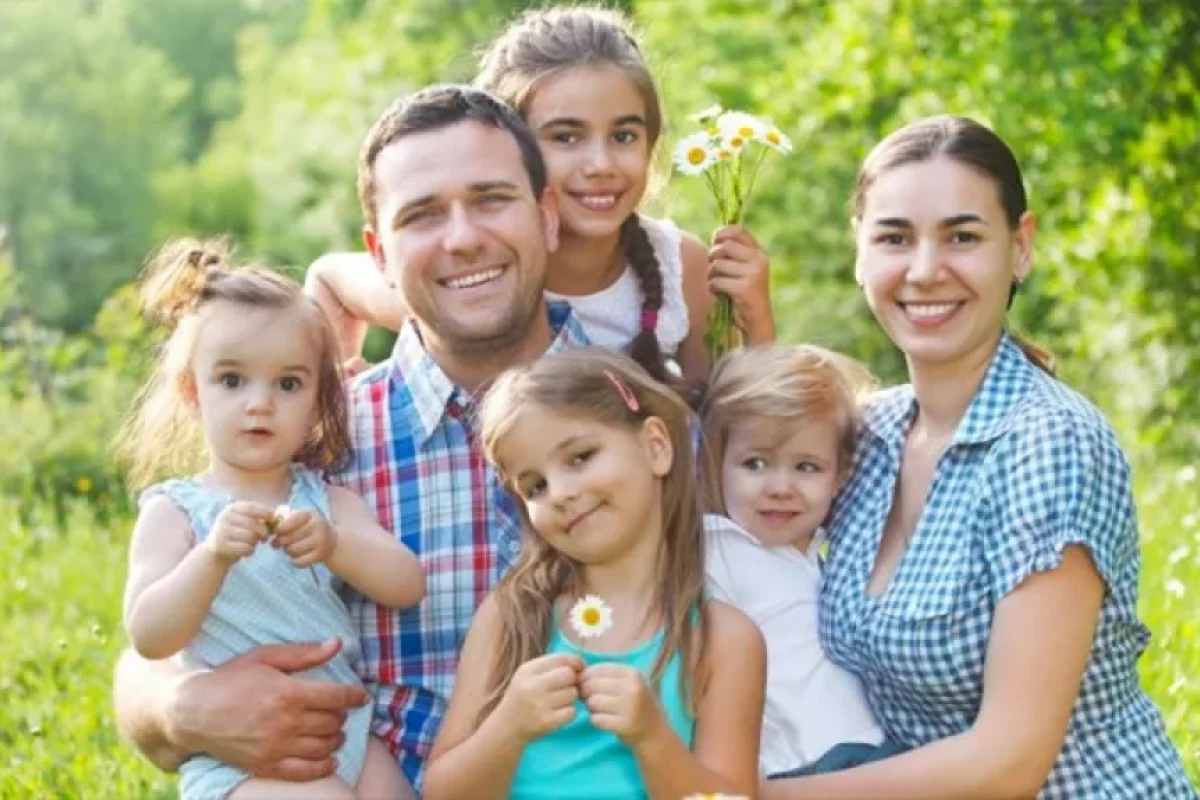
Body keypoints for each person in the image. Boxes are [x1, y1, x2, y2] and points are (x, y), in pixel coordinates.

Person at [113, 85, 591, 794]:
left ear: (547, 217)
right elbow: (152, 648)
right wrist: (178, 708)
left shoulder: (654, 422)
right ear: (380, 254)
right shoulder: (314, 438)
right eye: (422, 214)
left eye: (491, 199)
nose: (463, 238)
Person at [763, 115, 1196, 799]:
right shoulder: (867, 436)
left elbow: (1010, 762)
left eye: (962, 237)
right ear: (859, 252)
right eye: (894, 238)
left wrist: (743, 795)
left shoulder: (1049, 443)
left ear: (1020, 248)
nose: (925, 270)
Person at [305, 5, 776, 385]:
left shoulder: (681, 268)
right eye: (565, 137)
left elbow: (720, 426)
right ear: (510, 151)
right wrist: (333, 390)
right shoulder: (476, 274)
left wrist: (756, 321)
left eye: (624, 136)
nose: (601, 164)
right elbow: (328, 280)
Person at [115, 240, 424, 799]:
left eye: (288, 384)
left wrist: (335, 545)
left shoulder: (327, 501)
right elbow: (149, 634)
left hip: (345, 730)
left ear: (317, 400)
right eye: (233, 380)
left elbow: (406, 584)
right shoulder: (176, 511)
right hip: (244, 762)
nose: (260, 403)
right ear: (192, 392)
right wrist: (211, 557)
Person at [423, 348, 765, 799]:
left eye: (580, 457)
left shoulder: (724, 639)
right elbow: (440, 793)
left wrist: (653, 738)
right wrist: (507, 727)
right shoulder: (512, 616)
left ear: (656, 447)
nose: (560, 493)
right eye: (535, 486)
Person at [698, 343, 906, 781]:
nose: (781, 487)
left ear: (840, 475)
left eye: (807, 467)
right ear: (718, 464)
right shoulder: (717, 551)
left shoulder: (831, 551)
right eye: (755, 464)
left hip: (874, 754)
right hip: (798, 768)